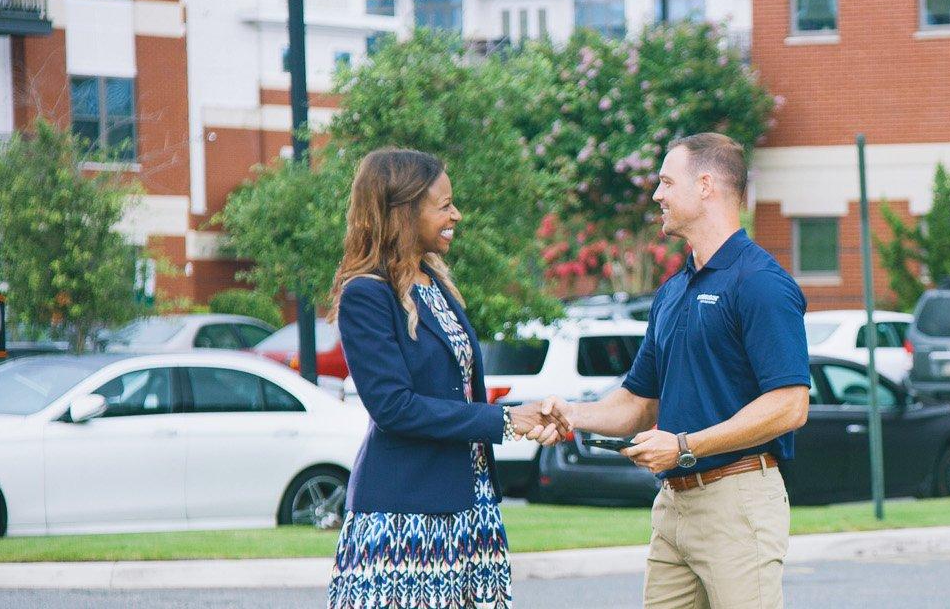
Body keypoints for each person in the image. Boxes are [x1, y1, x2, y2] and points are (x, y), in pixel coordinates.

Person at [563, 132, 810, 608]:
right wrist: (571, 415)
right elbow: (637, 403)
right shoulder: (673, 291)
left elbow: (790, 405)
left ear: (704, 185)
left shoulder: (760, 283)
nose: (657, 195)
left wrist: (683, 447)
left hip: (736, 504)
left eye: (665, 182)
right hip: (672, 507)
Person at [326, 147, 569, 609]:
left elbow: (455, 388)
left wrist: (524, 416)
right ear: (403, 211)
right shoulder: (367, 295)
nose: (456, 214)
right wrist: (504, 421)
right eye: (444, 205)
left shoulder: (433, 284)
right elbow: (394, 408)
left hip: (469, 505)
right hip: (407, 518)